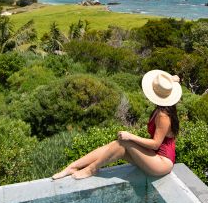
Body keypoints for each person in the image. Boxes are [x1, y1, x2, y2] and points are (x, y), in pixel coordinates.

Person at [52, 70, 182, 180]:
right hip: (153, 157)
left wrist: (130, 136)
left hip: (161, 163)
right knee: (116, 145)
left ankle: (91, 169)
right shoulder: (160, 109)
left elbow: (156, 144)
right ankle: (73, 166)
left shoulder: (163, 116)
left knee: (124, 142)